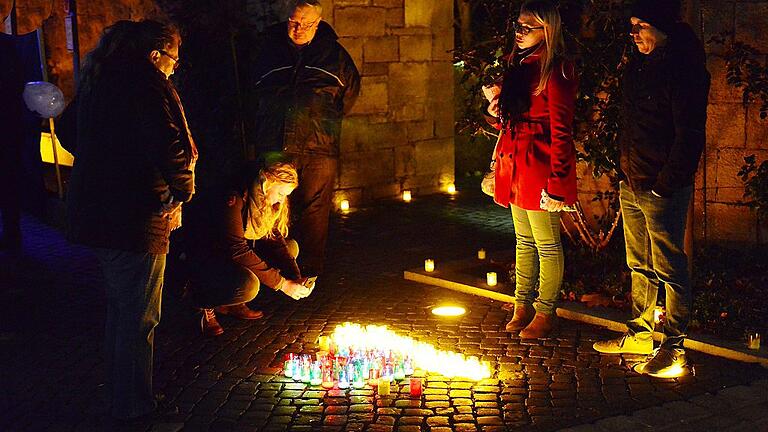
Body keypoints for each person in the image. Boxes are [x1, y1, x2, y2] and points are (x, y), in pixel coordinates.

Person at [59, 20, 197, 420]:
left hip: (100, 212)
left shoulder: (101, 80)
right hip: (136, 216)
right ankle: (134, 407)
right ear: (155, 55)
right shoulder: (146, 86)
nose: (174, 67)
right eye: (173, 59)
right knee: (139, 316)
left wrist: (104, 155)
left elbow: (70, 131)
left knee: (122, 312)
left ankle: (122, 398)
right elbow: (169, 146)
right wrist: (183, 190)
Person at [593, 0, 709, 378]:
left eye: (640, 25)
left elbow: (689, 135)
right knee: (638, 264)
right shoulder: (640, 68)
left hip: (660, 187)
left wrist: (665, 185)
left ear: (660, 27)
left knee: (671, 268)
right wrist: (624, 174)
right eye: (632, 25)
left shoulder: (682, 70)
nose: (634, 33)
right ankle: (641, 332)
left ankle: (673, 345)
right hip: (634, 180)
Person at [484, 0, 578, 339]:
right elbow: (509, 121)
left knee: (546, 242)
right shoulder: (516, 63)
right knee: (524, 240)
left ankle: (545, 310)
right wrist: (496, 108)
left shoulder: (556, 68)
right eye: (519, 25)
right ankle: (521, 303)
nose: (520, 32)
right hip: (515, 163)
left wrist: (558, 179)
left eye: (529, 26)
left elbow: (562, 128)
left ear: (547, 30)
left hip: (539, 166)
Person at [249, 0, 360, 278]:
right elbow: (249, 94)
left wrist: (323, 124)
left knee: (314, 210)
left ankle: (308, 271)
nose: (299, 29)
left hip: (317, 146)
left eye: (306, 24)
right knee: (269, 205)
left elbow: (349, 96)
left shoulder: (335, 55)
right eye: (294, 22)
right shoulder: (268, 50)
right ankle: (269, 271)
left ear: (318, 23)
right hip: (274, 143)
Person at [183, 161, 313, 337]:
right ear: (267, 182)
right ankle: (201, 301)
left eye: (286, 195)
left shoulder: (266, 201)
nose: (282, 200)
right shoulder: (235, 197)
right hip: (207, 257)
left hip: (233, 254)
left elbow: (273, 238)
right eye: (281, 193)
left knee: (291, 247)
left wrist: (295, 276)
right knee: (248, 285)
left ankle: (233, 303)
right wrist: (283, 284)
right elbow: (237, 250)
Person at [0, 33, 25, 251]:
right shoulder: (8, 47)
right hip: (9, 127)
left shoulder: (7, 47)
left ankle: (12, 233)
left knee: (8, 183)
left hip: (7, 127)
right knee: (9, 184)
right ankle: (12, 233)